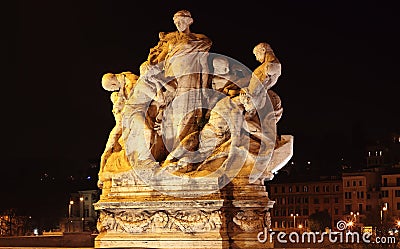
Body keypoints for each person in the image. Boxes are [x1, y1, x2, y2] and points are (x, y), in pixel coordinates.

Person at [147, 10, 212, 155]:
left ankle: (183, 154)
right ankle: (171, 153)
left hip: (190, 80)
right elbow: (160, 61)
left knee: (187, 117)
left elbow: (204, 66)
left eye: (182, 21)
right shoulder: (171, 41)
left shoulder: (200, 40)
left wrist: (204, 89)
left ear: (190, 21)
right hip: (172, 80)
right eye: (176, 22)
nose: (179, 24)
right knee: (171, 117)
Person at [98, 72, 139, 189]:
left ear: (112, 83)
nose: (113, 91)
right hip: (122, 126)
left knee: (111, 147)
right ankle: (101, 173)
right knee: (108, 149)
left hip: (129, 123)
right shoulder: (119, 93)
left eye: (111, 88)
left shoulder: (129, 82)